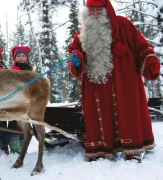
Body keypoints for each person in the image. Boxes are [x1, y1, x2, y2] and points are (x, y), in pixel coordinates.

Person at [68, 0, 160, 161]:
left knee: (128, 112)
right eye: (91, 10)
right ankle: (101, 149)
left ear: (106, 10)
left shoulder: (123, 25)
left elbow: (141, 45)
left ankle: (133, 149)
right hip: (96, 84)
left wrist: (149, 59)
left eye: (98, 10)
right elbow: (75, 50)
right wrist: (76, 58)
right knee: (99, 114)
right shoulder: (82, 33)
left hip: (125, 80)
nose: (95, 13)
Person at [8, 46, 33, 153]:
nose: (21, 58)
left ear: (27, 58)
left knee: (24, 124)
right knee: (14, 124)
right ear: (15, 58)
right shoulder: (14, 70)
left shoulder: (29, 69)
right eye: (18, 56)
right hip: (15, 100)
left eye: (23, 56)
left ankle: (23, 147)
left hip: (27, 100)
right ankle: (14, 148)